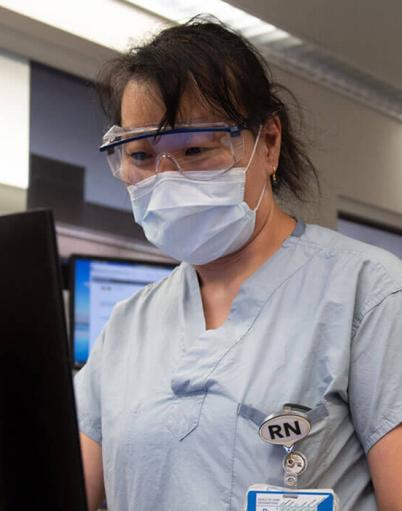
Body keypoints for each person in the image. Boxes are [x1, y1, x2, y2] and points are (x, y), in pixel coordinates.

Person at [74, 16, 402, 511]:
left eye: (195, 149)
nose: (166, 179)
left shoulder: (369, 294)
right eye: (141, 155)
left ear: (268, 143)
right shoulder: (126, 328)